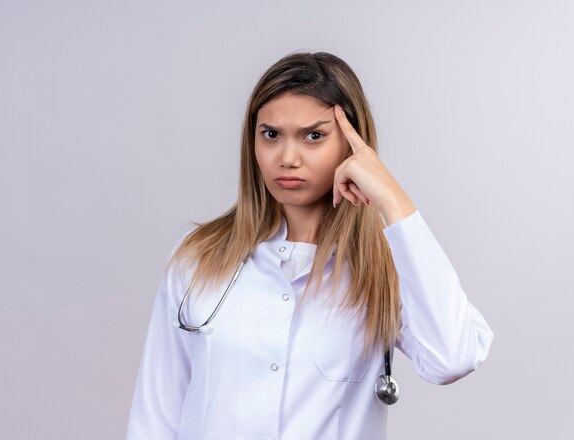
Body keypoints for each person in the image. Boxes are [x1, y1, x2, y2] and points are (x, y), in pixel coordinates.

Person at [125, 51, 494, 440]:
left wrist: (393, 201)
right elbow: (156, 417)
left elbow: (453, 358)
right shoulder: (198, 255)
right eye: (271, 135)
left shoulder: (387, 265)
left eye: (313, 136)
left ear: (354, 146)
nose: (287, 158)